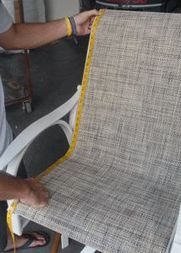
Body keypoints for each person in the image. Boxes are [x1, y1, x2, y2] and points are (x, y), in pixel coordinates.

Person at [0, 1, 99, 252]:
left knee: (6, 212)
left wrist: (70, 26)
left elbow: (11, 36)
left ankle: (11, 239)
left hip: (4, 146)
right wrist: (23, 190)